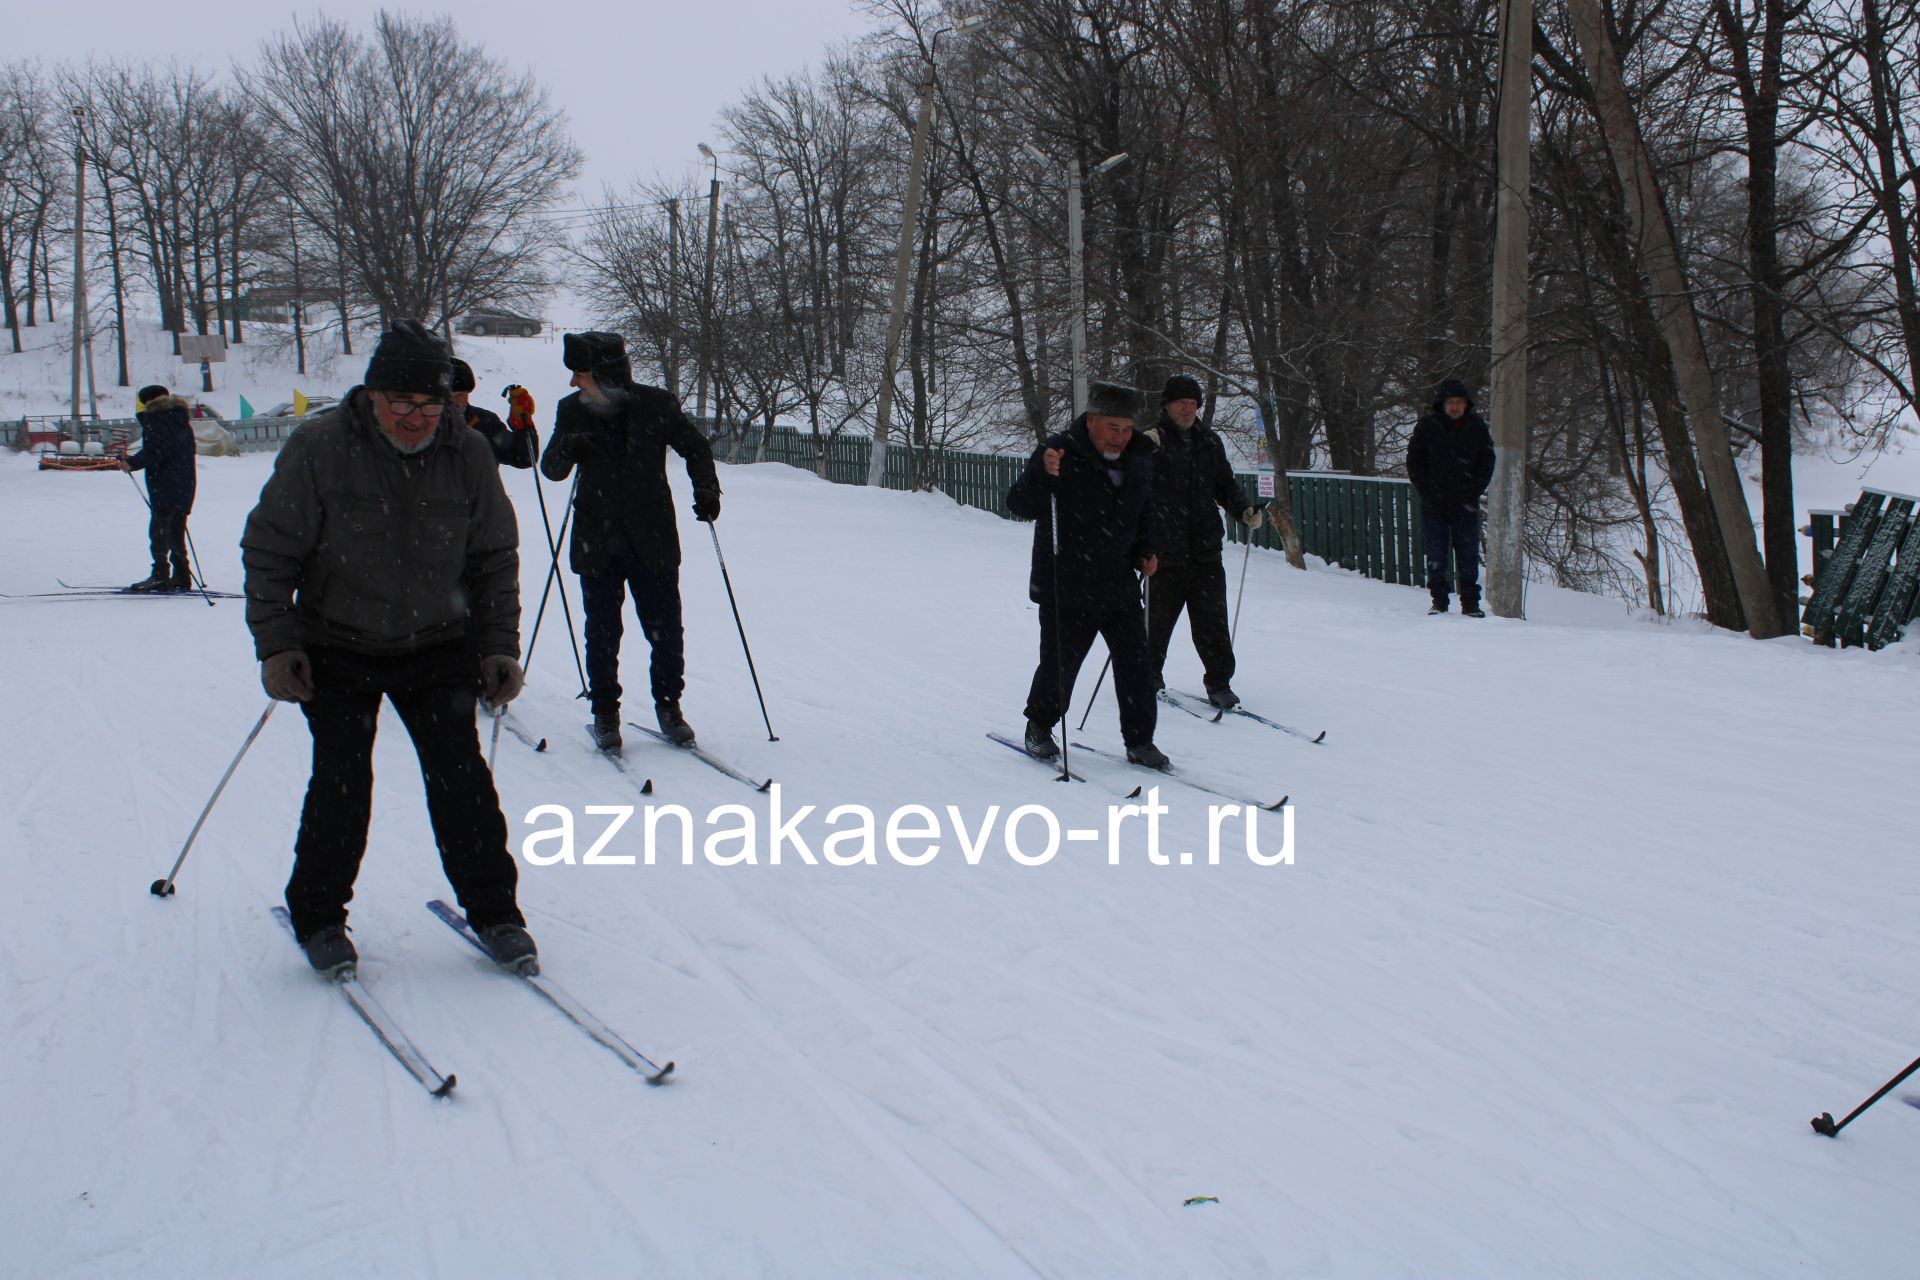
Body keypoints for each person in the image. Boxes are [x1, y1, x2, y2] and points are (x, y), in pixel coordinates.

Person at [240, 319, 535, 977]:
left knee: (462, 781)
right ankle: (319, 918)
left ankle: (496, 913)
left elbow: (494, 556)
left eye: (430, 405)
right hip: (337, 642)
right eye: (401, 403)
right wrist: (277, 643)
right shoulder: (320, 447)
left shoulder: (468, 452)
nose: (416, 418)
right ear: (372, 395)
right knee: (342, 784)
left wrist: (498, 647)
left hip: (436, 642)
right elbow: (269, 550)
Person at [540, 330, 720, 756]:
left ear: (603, 374)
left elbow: (695, 447)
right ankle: (605, 712)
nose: (572, 383)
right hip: (596, 540)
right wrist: (568, 445)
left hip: (651, 536)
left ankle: (669, 706)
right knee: (601, 632)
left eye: (580, 374)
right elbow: (550, 468)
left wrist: (707, 489)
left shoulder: (656, 404)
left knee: (665, 629)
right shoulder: (571, 411)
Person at [1007, 380, 1169, 770]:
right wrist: (1044, 474)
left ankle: (1140, 741)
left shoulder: (1139, 458)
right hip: (1067, 581)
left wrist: (1147, 548)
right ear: (1092, 419)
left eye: (1127, 428)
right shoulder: (1060, 451)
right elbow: (1019, 503)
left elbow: (1144, 510)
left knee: (1136, 664)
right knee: (1061, 665)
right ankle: (1040, 727)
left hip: (1117, 582)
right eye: (1113, 427)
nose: (1120, 436)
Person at [1141, 374, 1263, 709]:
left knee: (1212, 623)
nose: (1187, 409)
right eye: (1181, 402)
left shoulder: (1210, 442)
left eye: (1193, 404)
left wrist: (1244, 509)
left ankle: (1219, 682)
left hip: (1206, 550)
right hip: (1163, 553)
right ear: (1167, 405)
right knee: (1156, 623)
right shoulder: (1152, 441)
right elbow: (1132, 488)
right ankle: (1147, 676)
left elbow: (1224, 485)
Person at [1406, 377, 1497, 617]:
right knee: (1436, 555)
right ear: (1442, 404)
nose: (1455, 406)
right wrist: (1426, 490)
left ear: (1466, 405)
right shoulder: (1427, 427)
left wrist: (1473, 490)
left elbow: (1487, 462)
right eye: (1450, 402)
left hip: (1465, 505)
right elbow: (1414, 462)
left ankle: (1470, 603)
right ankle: (1439, 602)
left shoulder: (1477, 427)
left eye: (1459, 402)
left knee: (1468, 556)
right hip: (1433, 504)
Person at [120, 385, 197, 592]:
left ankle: (160, 574)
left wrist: (131, 463)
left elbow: (156, 450)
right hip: (185, 483)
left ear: (148, 402)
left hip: (164, 483)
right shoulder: (181, 419)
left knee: (159, 530)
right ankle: (182, 575)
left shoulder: (157, 419)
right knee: (176, 530)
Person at [450, 357, 536, 468]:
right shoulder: (424, 426)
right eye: (448, 397)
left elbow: (524, 458)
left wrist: (522, 425)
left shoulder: (485, 422)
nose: (454, 402)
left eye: (460, 395)